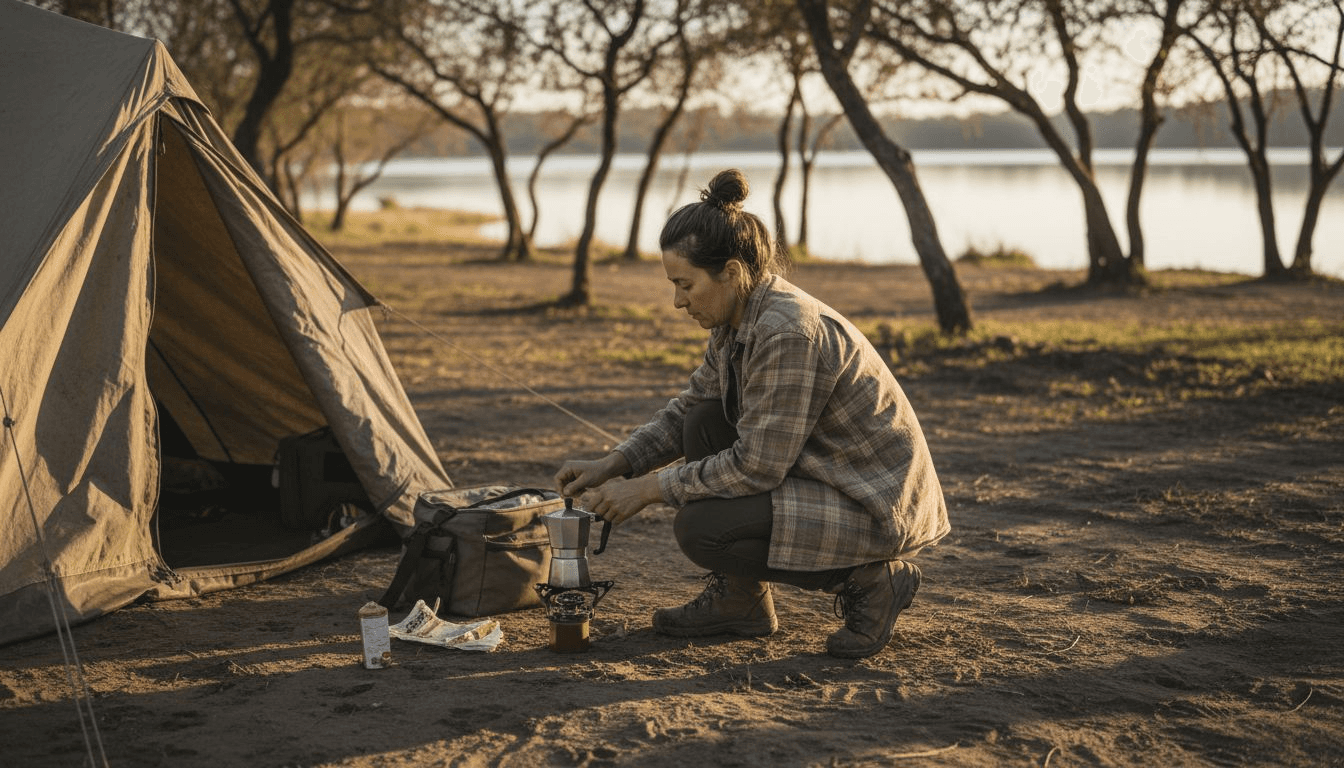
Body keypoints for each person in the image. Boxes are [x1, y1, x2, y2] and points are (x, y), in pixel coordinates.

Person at [554, 168, 949, 659]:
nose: (678, 301)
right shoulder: (737, 318)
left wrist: (649, 489)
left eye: (685, 284)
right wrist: (615, 464)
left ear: (734, 273)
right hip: (825, 480)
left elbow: (758, 465)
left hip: (872, 504)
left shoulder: (786, 331)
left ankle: (873, 579)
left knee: (699, 528)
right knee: (703, 421)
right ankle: (742, 602)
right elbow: (687, 412)